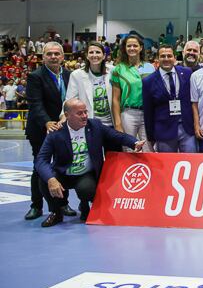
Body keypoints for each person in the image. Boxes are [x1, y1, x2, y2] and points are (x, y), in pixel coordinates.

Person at [34, 98, 144, 227]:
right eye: (79, 113)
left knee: (87, 190)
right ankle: (56, 212)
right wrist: (51, 179)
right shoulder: (56, 132)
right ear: (67, 115)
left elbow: (116, 135)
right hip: (63, 172)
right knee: (44, 179)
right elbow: (41, 159)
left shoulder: (95, 126)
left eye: (85, 112)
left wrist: (134, 142)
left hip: (85, 174)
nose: (85, 116)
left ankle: (84, 204)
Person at [23, 41, 75, 220]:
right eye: (49, 54)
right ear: (43, 57)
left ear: (62, 56)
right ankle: (36, 206)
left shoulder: (70, 76)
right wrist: (47, 123)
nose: (53, 57)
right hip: (40, 129)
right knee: (40, 167)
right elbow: (35, 104)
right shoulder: (35, 76)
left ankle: (63, 204)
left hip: (64, 128)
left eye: (56, 54)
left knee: (63, 167)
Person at [142, 45, 196, 153]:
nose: (166, 59)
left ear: (175, 58)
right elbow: (148, 111)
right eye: (163, 56)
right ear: (157, 59)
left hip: (187, 128)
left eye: (169, 56)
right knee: (167, 166)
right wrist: (151, 137)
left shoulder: (187, 73)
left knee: (192, 162)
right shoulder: (148, 81)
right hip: (164, 131)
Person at [110, 34, 155, 151]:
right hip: (128, 114)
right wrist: (118, 124)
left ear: (141, 48)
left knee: (148, 149)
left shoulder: (150, 67)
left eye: (135, 45)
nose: (132, 48)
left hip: (147, 114)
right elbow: (115, 99)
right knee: (129, 150)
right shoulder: (118, 69)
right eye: (129, 46)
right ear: (125, 48)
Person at [64, 41, 113, 127]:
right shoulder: (76, 75)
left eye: (98, 52)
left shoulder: (113, 71)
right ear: (87, 56)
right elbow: (70, 100)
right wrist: (63, 117)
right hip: (90, 123)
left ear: (104, 56)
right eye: (91, 52)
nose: (94, 55)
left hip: (111, 123)